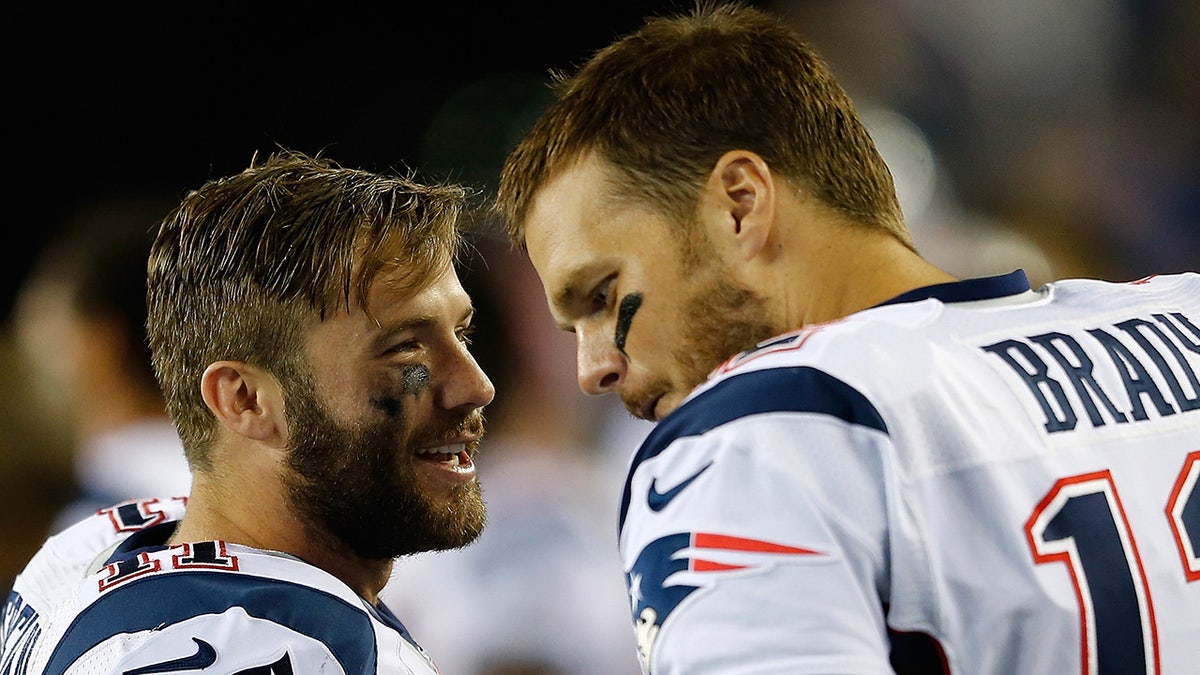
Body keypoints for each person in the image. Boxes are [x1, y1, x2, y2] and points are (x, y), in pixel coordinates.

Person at [492, 3, 1200, 674]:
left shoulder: (761, 431)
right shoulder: (1184, 316)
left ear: (740, 205)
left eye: (603, 294)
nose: (592, 367)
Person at [1, 149, 495, 673]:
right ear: (245, 400)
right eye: (405, 349)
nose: (475, 385)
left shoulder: (87, 551)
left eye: (460, 332)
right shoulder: (277, 651)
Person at [10, 196, 192, 534]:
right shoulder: (247, 492)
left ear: (99, 343)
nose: (28, 367)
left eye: (46, 333)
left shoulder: (101, 523)